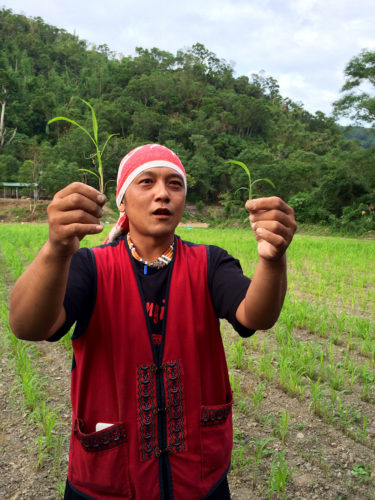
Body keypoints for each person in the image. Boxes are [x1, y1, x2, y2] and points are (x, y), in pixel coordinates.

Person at [9, 144, 297, 500]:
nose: (163, 192)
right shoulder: (91, 267)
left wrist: (272, 260)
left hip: (197, 475)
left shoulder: (210, 263)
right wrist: (55, 249)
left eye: (175, 184)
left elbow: (255, 315)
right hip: (107, 477)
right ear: (122, 202)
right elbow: (27, 326)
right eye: (146, 182)